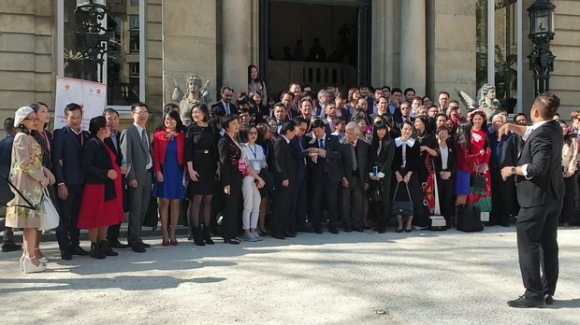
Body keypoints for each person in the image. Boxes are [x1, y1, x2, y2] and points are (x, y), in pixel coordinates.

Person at [498, 92, 564, 308]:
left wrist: (512, 169)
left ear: (535, 112)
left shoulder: (543, 135)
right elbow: (534, 131)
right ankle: (547, 291)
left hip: (536, 198)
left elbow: (538, 167)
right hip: (552, 197)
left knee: (528, 244)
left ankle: (533, 294)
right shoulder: (554, 127)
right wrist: (514, 127)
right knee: (548, 244)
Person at [6, 106, 55, 273]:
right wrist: (42, 178)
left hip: (32, 185)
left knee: (31, 224)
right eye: (31, 118)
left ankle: (28, 257)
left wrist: (44, 173)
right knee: (30, 224)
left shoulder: (27, 137)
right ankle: (30, 258)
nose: (35, 121)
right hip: (27, 185)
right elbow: (24, 163)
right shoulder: (21, 138)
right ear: (22, 121)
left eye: (35, 118)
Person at [77, 116, 124, 259]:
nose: (110, 128)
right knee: (95, 216)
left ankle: (103, 243)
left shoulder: (105, 143)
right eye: (107, 126)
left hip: (107, 184)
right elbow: (87, 165)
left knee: (106, 215)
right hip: (96, 185)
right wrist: (105, 173)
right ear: (101, 130)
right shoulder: (91, 144)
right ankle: (94, 245)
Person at [52, 103, 91, 260]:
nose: (76, 120)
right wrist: (61, 183)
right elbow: (56, 160)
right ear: (65, 117)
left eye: (78, 117)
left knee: (77, 216)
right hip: (67, 183)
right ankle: (64, 247)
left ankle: (75, 244)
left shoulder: (86, 134)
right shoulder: (61, 134)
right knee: (64, 216)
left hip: (82, 182)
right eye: (72, 117)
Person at [120, 102, 153, 253]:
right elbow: (126, 158)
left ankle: (137, 236)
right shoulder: (129, 132)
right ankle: (133, 240)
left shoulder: (146, 131)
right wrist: (130, 177)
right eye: (140, 112)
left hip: (147, 175)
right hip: (136, 177)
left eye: (145, 112)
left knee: (143, 208)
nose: (143, 115)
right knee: (135, 208)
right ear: (132, 114)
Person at [186, 104, 220, 246]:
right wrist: (190, 169)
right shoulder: (191, 129)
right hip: (197, 164)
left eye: (197, 112)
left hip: (210, 165)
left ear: (204, 113)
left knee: (208, 199)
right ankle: (195, 231)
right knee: (197, 199)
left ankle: (206, 230)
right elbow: (188, 151)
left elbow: (216, 148)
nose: (195, 115)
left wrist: (218, 166)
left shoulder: (211, 128)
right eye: (193, 112)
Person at [30, 102, 59, 260]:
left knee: (43, 215)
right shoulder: (31, 135)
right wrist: (44, 173)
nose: (47, 114)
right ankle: (32, 251)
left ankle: (36, 249)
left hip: (49, 178)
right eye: (43, 111)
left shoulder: (48, 134)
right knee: (35, 217)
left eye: (47, 111)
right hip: (37, 178)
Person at [153, 111, 186, 246]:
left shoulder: (182, 137)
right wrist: (158, 171)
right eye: (167, 119)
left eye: (172, 119)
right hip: (164, 172)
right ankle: (165, 233)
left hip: (177, 172)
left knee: (175, 203)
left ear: (177, 121)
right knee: (164, 203)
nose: (170, 121)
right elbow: (155, 155)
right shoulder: (158, 136)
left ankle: (173, 233)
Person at [307, 119, 342, 234]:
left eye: (318, 131)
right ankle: (317, 225)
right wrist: (312, 160)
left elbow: (339, 154)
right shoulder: (311, 142)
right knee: (317, 201)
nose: (316, 134)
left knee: (332, 201)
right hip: (317, 176)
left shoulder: (333, 139)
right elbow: (309, 163)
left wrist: (326, 153)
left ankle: (333, 225)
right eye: (314, 132)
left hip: (331, 175)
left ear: (323, 129)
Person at [103, 108, 129, 248]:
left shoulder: (121, 136)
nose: (112, 122)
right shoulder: (101, 138)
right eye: (109, 119)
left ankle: (114, 237)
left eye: (115, 119)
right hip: (107, 178)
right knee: (109, 208)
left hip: (121, 178)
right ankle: (105, 239)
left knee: (119, 207)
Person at [218, 114, 246, 244]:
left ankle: (233, 232)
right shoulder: (224, 141)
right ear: (227, 126)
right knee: (229, 206)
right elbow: (224, 163)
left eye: (237, 123)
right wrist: (226, 183)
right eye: (233, 123)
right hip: (229, 176)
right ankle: (228, 235)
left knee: (235, 205)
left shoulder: (235, 139)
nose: (237, 125)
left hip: (237, 175)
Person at [340, 122, 370, 232]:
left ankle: (357, 223)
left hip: (359, 178)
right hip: (347, 178)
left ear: (356, 133)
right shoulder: (342, 145)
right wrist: (342, 177)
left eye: (350, 133)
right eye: (346, 132)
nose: (347, 135)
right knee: (345, 202)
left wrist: (366, 181)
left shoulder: (364, 146)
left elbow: (367, 165)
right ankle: (347, 224)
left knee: (358, 201)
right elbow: (339, 163)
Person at [392, 121, 422, 233]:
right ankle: (400, 223)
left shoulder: (415, 143)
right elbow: (392, 159)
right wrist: (397, 173)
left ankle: (409, 223)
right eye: (405, 129)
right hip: (398, 173)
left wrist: (409, 174)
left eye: (409, 129)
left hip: (411, 174)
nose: (407, 131)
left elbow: (416, 161)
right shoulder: (394, 142)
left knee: (412, 197)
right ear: (401, 130)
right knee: (399, 197)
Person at [271, 121, 297, 239]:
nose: (294, 134)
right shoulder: (280, 142)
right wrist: (284, 177)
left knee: (286, 205)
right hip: (283, 180)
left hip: (290, 178)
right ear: (288, 131)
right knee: (280, 205)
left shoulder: (286, 142)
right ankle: (276, 230)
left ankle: (284, 228)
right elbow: (278, 162)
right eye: (293, 132)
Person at [369, 120, 395, 233]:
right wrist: (372, 172)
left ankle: (384, 223)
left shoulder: (390, 142)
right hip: (374, 172)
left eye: (383, 129)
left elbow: (389, 159)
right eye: (379, 130)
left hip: (386, 173)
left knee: (385, 198)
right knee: (376, 198)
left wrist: (382, 173)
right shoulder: (373, 142)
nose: (381, 132)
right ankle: (378, 221)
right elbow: (371, 158)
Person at [241, 125, 267, 242]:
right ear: (246, 135)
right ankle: (246, 230)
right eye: (251, 133)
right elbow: (246, 167)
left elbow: (263, 164)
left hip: (256, 179)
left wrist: (259, 179)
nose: (253, 135)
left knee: (257, 204)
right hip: (247, 178)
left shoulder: (260, 148)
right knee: (248, 205)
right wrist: (259, 179)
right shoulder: (243, 148)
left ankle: (253, 229)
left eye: (255, 133)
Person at [0, 118, 21, 252]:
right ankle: (8, 240)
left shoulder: (1, 143)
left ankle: (8, 240)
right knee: (12, 211)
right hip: (13, 182)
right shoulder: (17, 143)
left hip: (2, 180)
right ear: (14, 128)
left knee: (9, 211)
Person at [414, 116, 438, 225]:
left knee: (426, 194)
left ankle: (425, 220)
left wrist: (426, 148)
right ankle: (415, 220)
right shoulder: (413, 136)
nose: (416, 123)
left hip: (426, 169)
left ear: (423, 123)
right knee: (416, 193)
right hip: (414, 168)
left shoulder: (430, 137)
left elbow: (436, 153)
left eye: (418, 121)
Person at [466, 110, 492, 212]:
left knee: (483, 187)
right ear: (472, 120)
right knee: (471, 188)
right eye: (475, 119)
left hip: (483, 165)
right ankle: (470, 212)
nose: (477, 121)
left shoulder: (485, 133)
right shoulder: (468, 132)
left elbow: (488, 149)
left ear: (483, 120)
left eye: (479, 119)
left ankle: (484, 214)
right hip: (470, 164)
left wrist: (485, 163)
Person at [433, 126, 456, 228]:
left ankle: (447, 220)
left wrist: (450, 172)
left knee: (448, 198)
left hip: (448, 175)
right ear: (437, 134)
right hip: (438, 175)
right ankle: (438, 219)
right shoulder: (435, 147)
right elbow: (432, 162)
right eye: (441, 133)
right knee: (439, 197)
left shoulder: (451, 146)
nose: (443, 135)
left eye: (445, 133)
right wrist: (440, 172)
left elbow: (455, 162)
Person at [559, 120, 577, 227]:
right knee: (557, 197)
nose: (564, 129)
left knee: (568, 197)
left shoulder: (572, 141)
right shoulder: (552, 140)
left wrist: (571, 170)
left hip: (568, 171)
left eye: (565, 127)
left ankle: (566, 219)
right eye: (561, 127)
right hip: (555, 172)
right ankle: (557, 219)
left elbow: (574, 156)